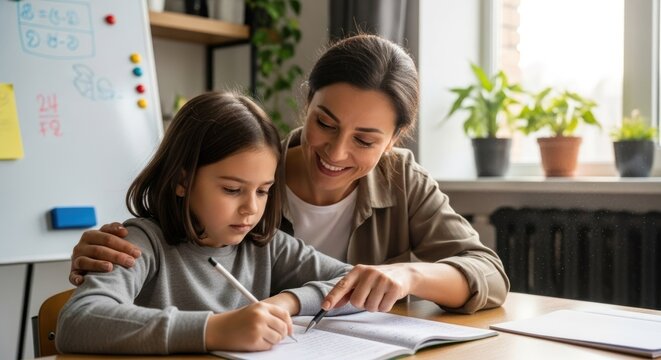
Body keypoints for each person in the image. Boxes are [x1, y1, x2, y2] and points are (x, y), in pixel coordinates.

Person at [68, 34, 509, 316]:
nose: (336, 152)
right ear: (307, 102)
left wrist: (409, 277)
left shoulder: (403, 180)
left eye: (365, 140)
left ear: (394, 140)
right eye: (326, 123)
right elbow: (164, 242)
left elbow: (488, 274)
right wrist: (104, 254)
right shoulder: (249, 168)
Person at [56, 92, 357, 354]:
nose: (251, 209)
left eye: (263, 191)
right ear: (181, 181)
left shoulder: (266, 245)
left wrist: (287, 302)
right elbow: (77, 321)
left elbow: (354, 284)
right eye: (231, 190)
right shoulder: (140, 244)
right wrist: (214, 329)